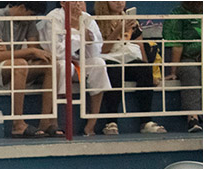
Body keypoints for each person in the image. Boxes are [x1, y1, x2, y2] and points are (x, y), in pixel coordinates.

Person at [0, 2, 56, 138]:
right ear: (22, 7)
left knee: (49, 63)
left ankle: (46, 122)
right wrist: (30, 51)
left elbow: (34, 49)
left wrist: (33, 52)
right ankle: (18, 124)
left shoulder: (28, 20)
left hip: (11, 64)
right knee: (20, 64)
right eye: (31, 15)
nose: (32, 18)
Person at [38, 1, 112, 137]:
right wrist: (78, 34)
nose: (78, 4)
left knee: (99, 64)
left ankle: (91, 123)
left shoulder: (87, 18)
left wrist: (83, 32)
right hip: (60, 62)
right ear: (62, 2)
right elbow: (56, 51)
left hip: (80, 62)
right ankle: (54, 121)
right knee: (63, 65)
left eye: (80, 0)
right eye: (73, 0)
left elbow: (96, 51)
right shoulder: (53, 18)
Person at [94, 1, 166, 135]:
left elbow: (140, 46)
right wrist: (118, 29)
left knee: (144, 70)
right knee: (114, 71)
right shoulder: (96, 19)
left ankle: (146, 121)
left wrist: (147, 68)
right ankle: (111, 121)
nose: (119, 2)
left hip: (127, 58)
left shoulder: (130, 20)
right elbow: (103, 50)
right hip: (108, 60)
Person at [163, 1, 202, 133]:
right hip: (187, 58)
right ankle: (193, 118)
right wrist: (173, 71)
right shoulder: (177, 14)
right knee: (190, 72)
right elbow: (177, 45)